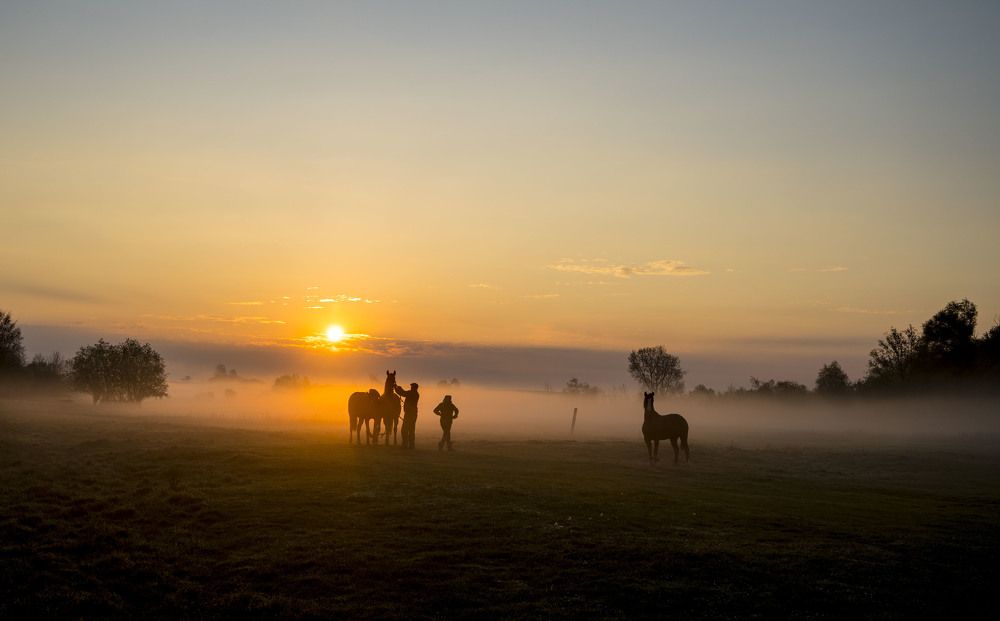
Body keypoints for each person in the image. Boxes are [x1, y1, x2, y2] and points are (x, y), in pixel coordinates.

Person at [394, 381, 420, 449]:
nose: (411, 387)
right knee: (411, 430)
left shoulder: (411, 393)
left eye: (411, 387)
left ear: (413, 388)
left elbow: (403, 393)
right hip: (413, 413)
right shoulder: (416, 394)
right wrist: (398, 388)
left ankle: (405, 444)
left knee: (404, 429)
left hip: (409, 414)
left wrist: (396, 388)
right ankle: (411, 445)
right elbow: (404, 393)